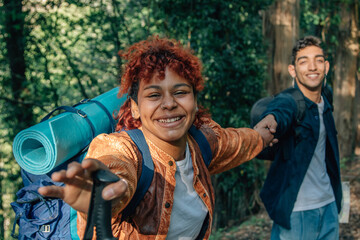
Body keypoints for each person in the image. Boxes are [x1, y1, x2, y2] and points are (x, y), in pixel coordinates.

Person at [38, 36, 276, 239]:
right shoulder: (122, 149)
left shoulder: (204, 142)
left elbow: (240, 141)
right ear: (134, 108)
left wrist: (264, 134)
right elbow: (114, 166)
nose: (169, 104)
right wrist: (99, 194)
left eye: (180, 92)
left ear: (194, 102)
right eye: (154, 95)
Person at [255, 36, 342, 240]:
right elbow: (281, 109)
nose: (312, 67)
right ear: (293, 70)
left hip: (329, 206)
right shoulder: (290, 101)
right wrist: (271, 118)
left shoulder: (326, 101)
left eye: (318, 60)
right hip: (298, 212)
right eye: (303, 61)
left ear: (326, 66)